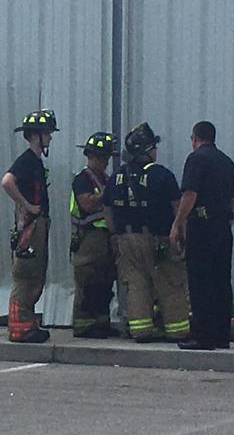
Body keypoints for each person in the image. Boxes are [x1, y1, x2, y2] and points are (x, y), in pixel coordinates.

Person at [102, 122, 190, 343]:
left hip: (126, 241)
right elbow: (177, 208)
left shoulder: (117, 176)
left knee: (137, 285)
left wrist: (114, 235)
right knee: (170, 283)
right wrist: (182, 235)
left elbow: (107, 208)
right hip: (159, 239)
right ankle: (177, 330)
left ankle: (141, 330)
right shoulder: (162, 175)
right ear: (148, 150)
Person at [170, 121, 234, 350]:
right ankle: (221, 335)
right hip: (222, 226)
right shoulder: (227, 162)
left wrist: (178, 223)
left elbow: (190, 193)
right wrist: (226, 222)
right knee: (221, 281)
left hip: (202, 225)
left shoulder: (196, 159)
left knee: (201, 281)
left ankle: (203, 336)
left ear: (195, 138)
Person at [1, 110, 57, 343]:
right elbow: (7, 181)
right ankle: (19, 327)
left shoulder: (34, 161)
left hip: (36, 225)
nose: (50, 138)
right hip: (30, 227)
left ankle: (27, 323)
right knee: (26, 275)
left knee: (35, 275)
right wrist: (26, 205)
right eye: (47, 133)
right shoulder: (26, 160)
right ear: (36, 136)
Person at [70, 132, 120, 338]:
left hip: (105, 237)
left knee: (105, 282)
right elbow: (87, 203)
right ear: (91, 155)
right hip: (88, 238)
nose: (105, 162)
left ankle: (101, 322)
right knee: (88, 282)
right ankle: (83, 325)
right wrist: (107, 195)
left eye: (107, 158)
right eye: (102, 157)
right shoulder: (83, 178)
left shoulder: (106, 179)